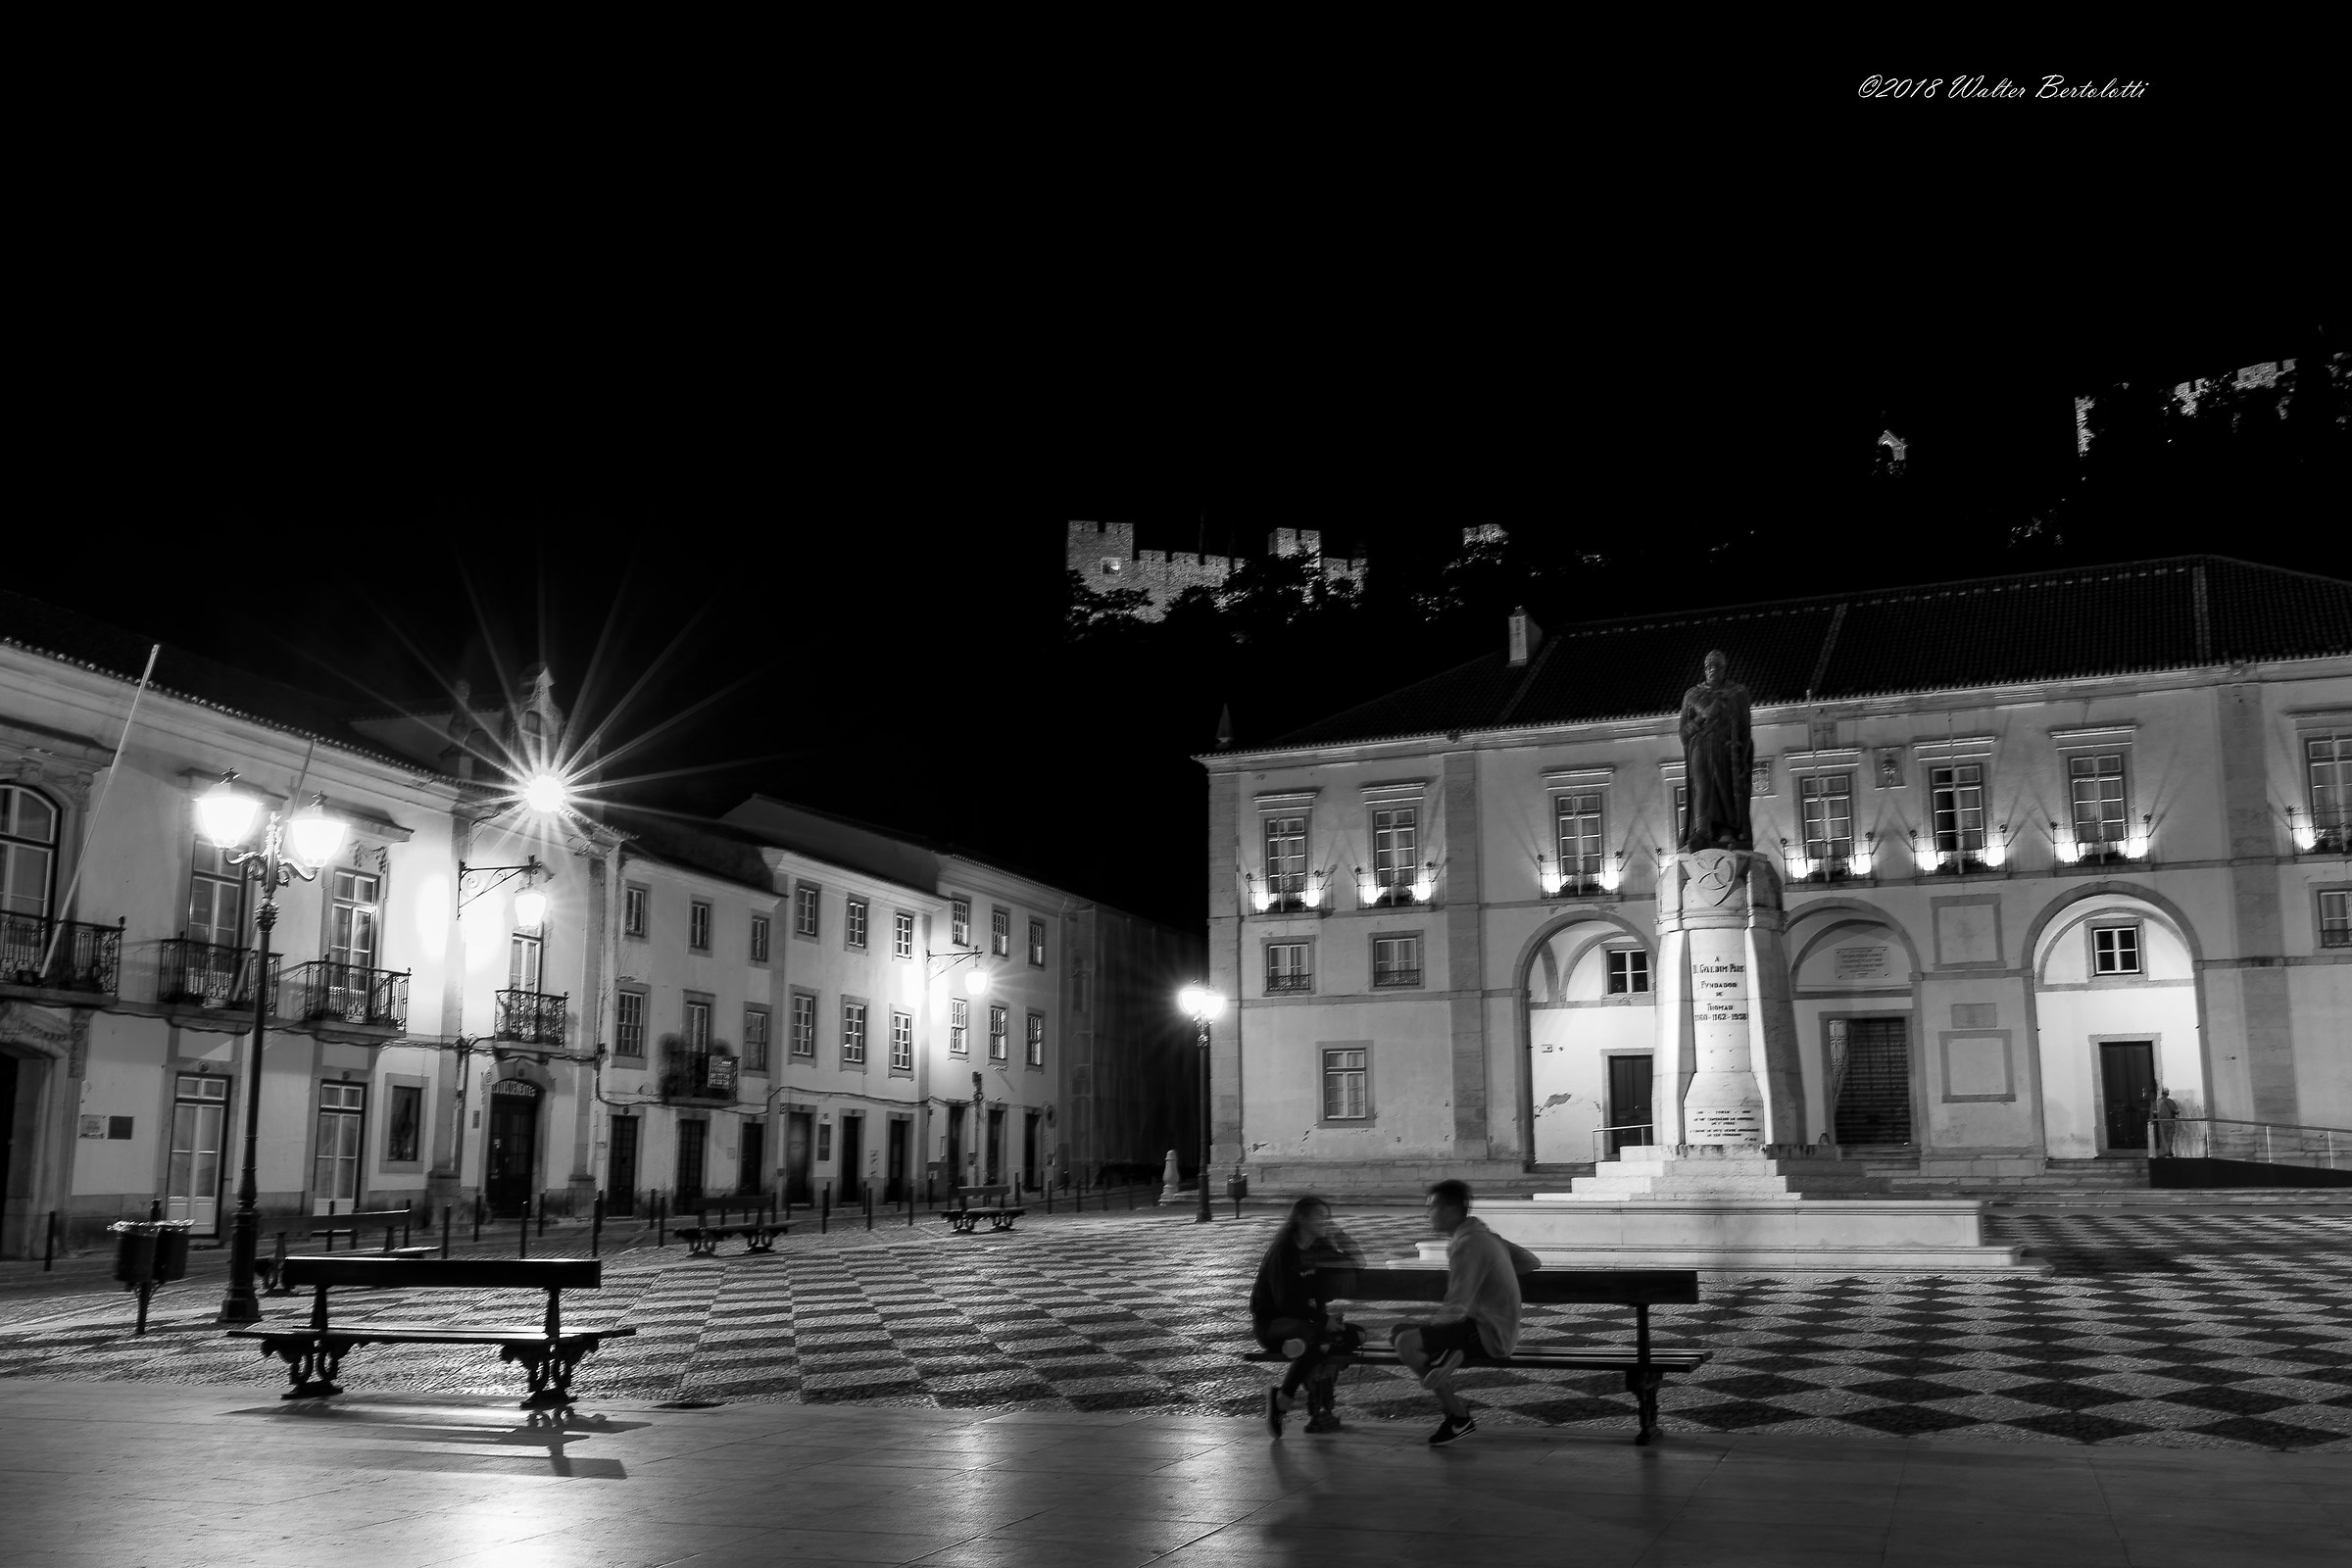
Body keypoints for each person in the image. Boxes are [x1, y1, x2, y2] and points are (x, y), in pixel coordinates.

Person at [1391, 1179, 1542, 1446]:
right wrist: (1493, 1277)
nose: (1428, 1215)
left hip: (1489, 1333)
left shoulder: (1469, 1244)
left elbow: (1457, 1303)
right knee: (1400, 1332)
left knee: (1405, 1342)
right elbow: (1531, 1261)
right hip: (1488, 1326)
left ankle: (1458, 1416)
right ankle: (1449, 1355)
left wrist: (1432, 1326)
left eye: (1431, 1208)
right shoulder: (1484, 1236)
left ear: (1449, 1210)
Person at [1250, 1196, 1363, 1436]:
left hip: (1307, 1325)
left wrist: (1340, 1236)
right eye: (1319, 1216)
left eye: (1327, 1217)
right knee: (1321, 1339)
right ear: (1300, 1219)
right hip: (1273, 1325)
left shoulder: (1318, 1247)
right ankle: (1283, 1399)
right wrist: (1324, 1321)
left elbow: (1357, 1263)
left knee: (1357, 1336)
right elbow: (1285, 1304)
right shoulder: (1283, 1252)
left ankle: (1298, 1347)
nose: (1325, 1221)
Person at [2150, 1087, 2180, 1155]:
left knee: (2163, 1138)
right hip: (2170, 1122)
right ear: (2168, 1094)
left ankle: (2165, 1152)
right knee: (2169, 1138)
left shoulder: (2158, 1102)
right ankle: (2168, 1151)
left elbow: (2154, 1112)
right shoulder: (2171, 1102)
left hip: (2161, 1122)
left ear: (2162, 1093)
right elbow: (2177, 1111)